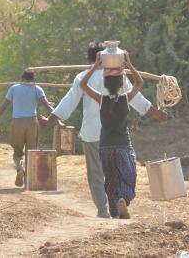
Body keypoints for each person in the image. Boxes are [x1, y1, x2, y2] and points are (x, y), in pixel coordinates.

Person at [39, 42, 167, 218]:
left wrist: (49, 121)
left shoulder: (83, 77)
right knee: (117, 171)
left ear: (88, 59)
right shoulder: (120, 77)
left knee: (96, 174)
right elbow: (137, 97)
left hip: (93, 135)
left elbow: (68, 103)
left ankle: (102, 210)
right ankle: (119, 202)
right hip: (118, 137)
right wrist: (156, 113)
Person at [79, 50, 141, 219]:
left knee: (111, 177)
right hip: (123, 145)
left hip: (105, 145)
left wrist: (95, 66)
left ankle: (114, 210)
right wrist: (129, 64)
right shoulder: (125, 99)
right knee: (127, 175)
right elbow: (139, 82)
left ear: (104, 83)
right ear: (122, 83)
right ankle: (123, 199)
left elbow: (83, 85)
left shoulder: (101, 99)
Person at [0, 71, 53, 187]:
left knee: (17, 152)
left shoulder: (14, 88)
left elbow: (4, 105)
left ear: (22, 78)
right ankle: (29, 180)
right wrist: (56, 117)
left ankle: (19, 168)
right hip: (32, 122)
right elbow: (47, 105)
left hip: (17, 123)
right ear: (33, 79)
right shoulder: (37, 89)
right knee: (31, 152)